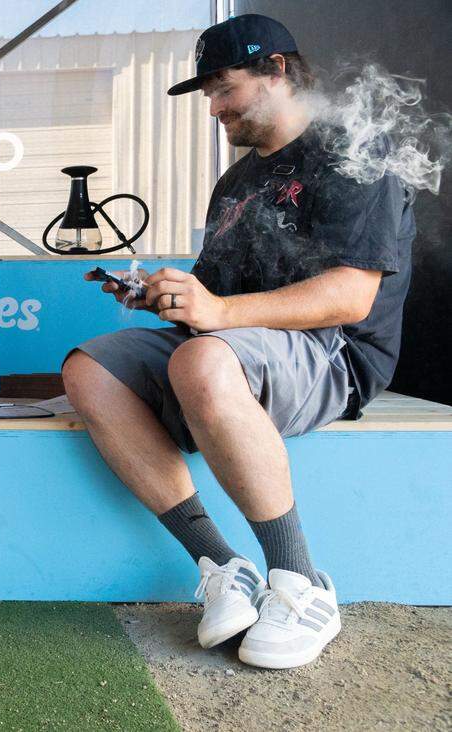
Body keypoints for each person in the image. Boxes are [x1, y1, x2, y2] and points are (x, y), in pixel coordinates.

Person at [61, 14, 414, 669]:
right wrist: (163, 296)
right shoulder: (234, 185)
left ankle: (302, 582)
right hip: (235, 352)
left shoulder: (354, 151)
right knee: (88, 369)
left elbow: (351, 296)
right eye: (209, 96)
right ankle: (224, 567)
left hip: (334, 354)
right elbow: (212, 307)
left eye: (223, 89)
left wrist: (217, 312)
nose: (215, 109)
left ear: (276, 70)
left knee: (201, 357)